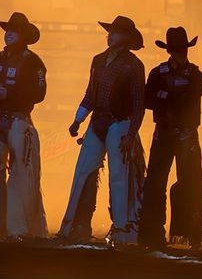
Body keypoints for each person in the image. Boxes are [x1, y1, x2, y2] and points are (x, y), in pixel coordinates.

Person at [60, 16, 147, 245]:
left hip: (120, 123)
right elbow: (90, 94)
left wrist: (131, 134)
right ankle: (77, 225)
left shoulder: (134, 65)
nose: (110, 35)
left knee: (119, 177)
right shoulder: (98, 61)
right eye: (110, 32)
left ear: (126, 38)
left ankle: (122, 230)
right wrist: (78, 120)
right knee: (83, 172)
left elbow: (138, 105)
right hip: (98, 121)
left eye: (116, 33)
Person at [137, 27, 202, 250]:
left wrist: (164, 96)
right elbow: (147, 99)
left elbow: (186, 100)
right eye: (177, 50)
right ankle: (154, 233)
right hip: (168, 133)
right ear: (171, 51)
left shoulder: (193, 75)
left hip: (183, 134)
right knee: (155, 183)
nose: (180, 53)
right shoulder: (159, 73)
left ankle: (192, 234)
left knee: (190, 182)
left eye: (181, 49)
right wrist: (171, 97)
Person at [0, 12, 49, 239]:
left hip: (19, 120)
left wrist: (10, 93)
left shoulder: (33, 61)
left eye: (14, 31)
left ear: (23, 36)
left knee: (21, 173)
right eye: (7, 30)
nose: (8, 34)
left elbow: (39, 93)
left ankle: (20, 227)